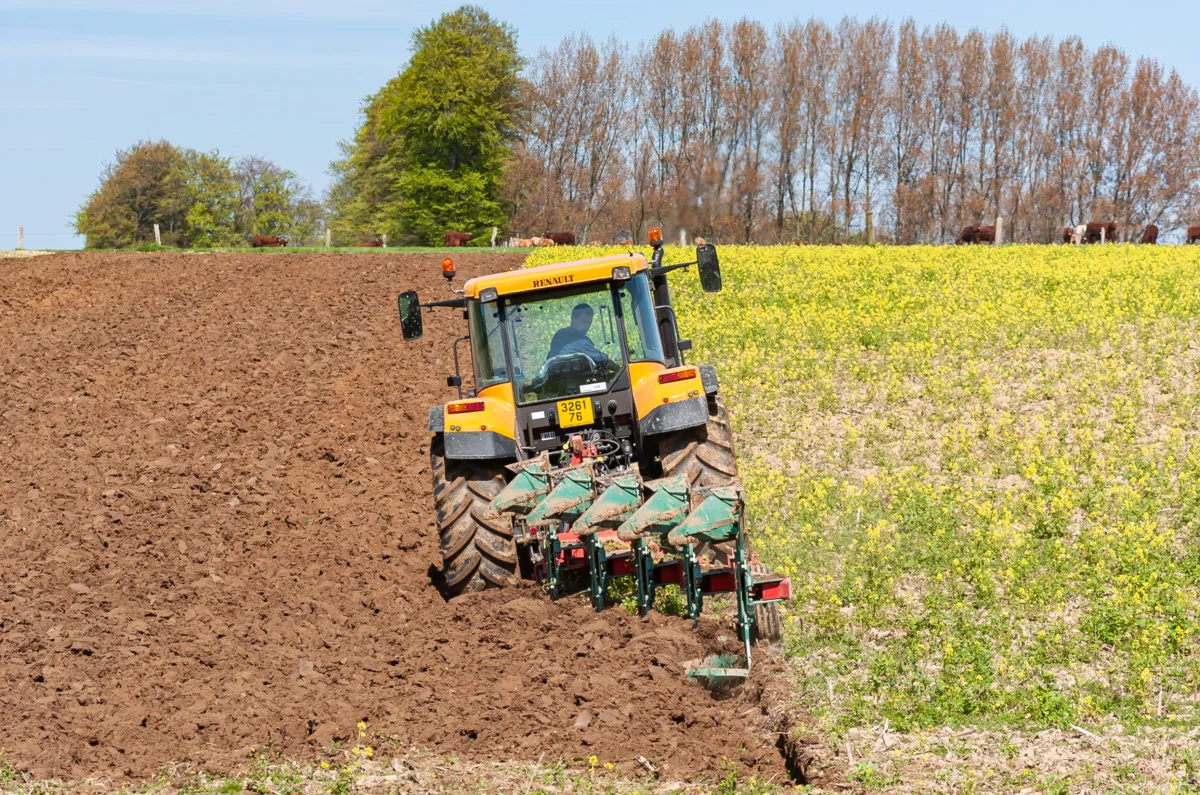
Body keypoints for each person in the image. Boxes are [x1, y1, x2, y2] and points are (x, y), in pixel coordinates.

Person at [546, 303, 613, 368]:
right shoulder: (580, 341)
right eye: (583, 322)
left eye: (589, 323)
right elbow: (603, 360)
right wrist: (619, 369)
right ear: (573, 318)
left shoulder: (559, 335)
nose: (586, 326)